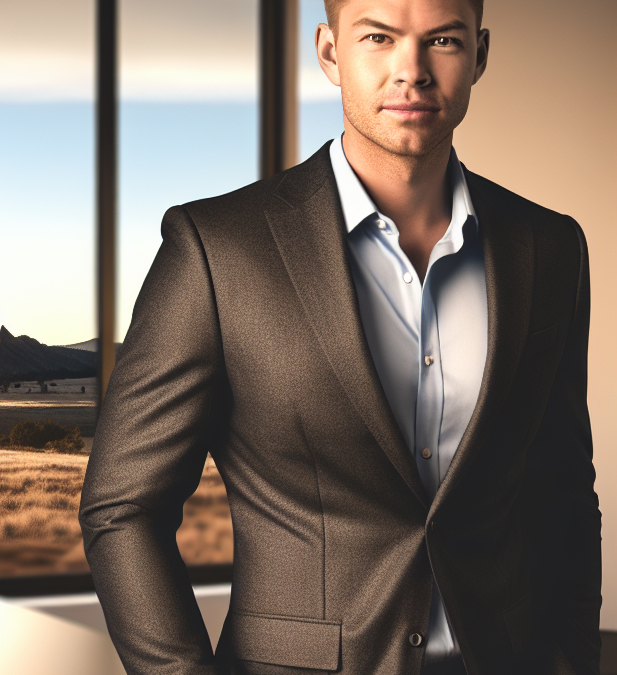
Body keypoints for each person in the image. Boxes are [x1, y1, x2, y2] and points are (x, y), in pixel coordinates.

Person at [78, 0, 601, 673]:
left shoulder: (550, 247)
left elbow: (560, 486)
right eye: (378, 37)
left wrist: (575, 658)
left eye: (442, 40)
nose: (411, 70)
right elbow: (123, 504)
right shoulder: (217, 251)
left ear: (480, 55)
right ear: (329, 53)